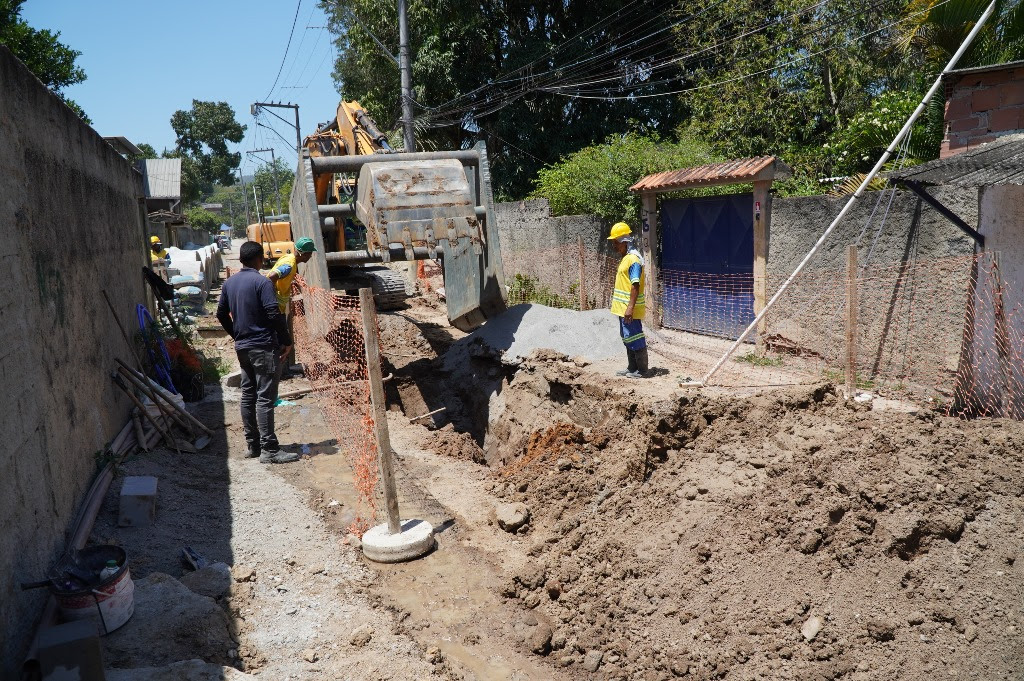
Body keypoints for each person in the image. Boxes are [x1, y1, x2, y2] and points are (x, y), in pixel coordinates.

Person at [217, 241, 299, 464]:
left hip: (243, 348)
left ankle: (253, 446)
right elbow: (273, 313)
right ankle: (269, 450)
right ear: (259, 259)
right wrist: (286, 341)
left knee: (248, 395)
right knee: (265, 398)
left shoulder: (230, 283)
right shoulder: (262, 283)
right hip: (263, 346)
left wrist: (237, 335)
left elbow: (221, 313)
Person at [608, 221, 648, 378]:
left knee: (635, 337)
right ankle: (632, 368)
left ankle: (642, 370)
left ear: (624, 241)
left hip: (629, 309)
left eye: (615, 242)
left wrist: (630, 308)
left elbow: (635, 285)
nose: (614, 246)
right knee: (627, 337)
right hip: (623, 308)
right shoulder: (626, 258)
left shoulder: (633, 260)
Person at [267, 237, 318, 313]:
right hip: (275, 307)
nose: (310, 256)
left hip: (277, 306)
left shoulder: (289, 257)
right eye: (309, 254)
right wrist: (272, 295)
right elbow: (272, 276)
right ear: (303, 254)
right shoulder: (289, 265)